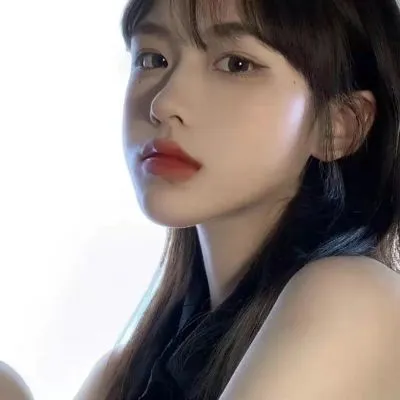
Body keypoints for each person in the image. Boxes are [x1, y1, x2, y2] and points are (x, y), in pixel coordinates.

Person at [74, 0, 400, 398]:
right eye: (153, 59)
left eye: (236, 65)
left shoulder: (354, 299)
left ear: (341, 124)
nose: (164, 104)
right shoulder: (121, 375)